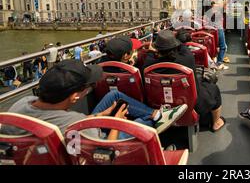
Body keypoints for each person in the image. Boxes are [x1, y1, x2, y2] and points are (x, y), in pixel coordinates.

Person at [0, 59, 187, 139]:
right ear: (75, 96)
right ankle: (154, 118)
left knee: (113, 96)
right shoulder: (74, 124)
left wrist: (100, 116)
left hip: (55, 136)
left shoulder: (20, 104)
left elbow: (62, 123)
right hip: (97, 139)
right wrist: (115, 123)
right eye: (88, 87)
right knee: (138, 122)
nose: (89, 90)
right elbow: (103, 149)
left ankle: (156, 114)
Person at [141, 30, 226, 132]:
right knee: (213, 88)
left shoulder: (148, 65)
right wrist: (176, 39)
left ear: (157, 49)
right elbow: (183, 46)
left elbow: (150, 55)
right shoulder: (187, 59)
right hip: (191, 104)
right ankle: (216, 122)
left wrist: (151, 51)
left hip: (159, 104)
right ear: (175, 46)